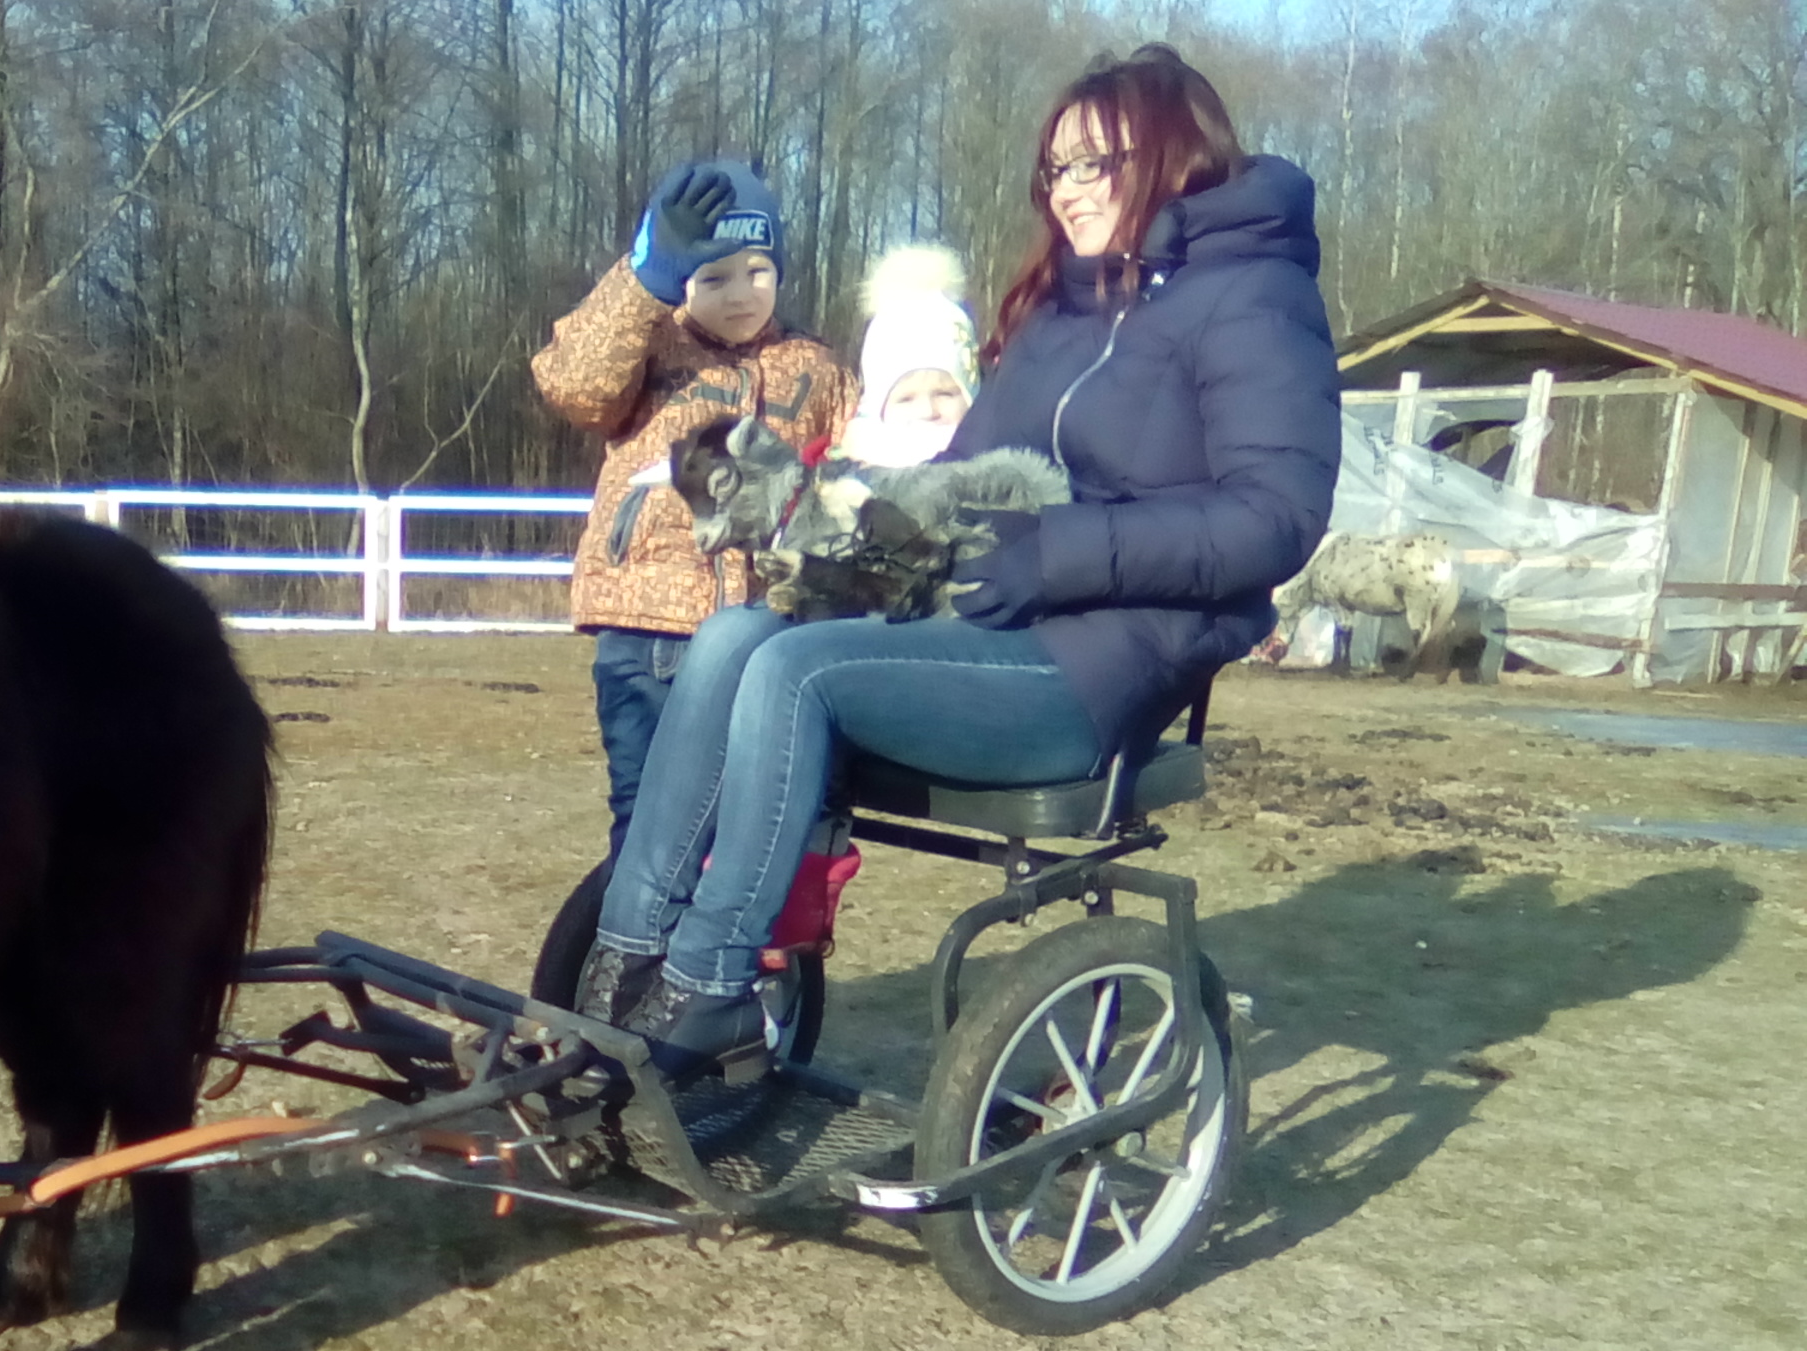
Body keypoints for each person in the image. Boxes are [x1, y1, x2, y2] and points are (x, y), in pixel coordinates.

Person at [582, 44, 1339, 1078]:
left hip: (1100, 669)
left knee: (795, 671)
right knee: (734, 637)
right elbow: (961, 483)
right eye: (1055, 169)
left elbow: (1276, 519)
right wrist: (818, 509)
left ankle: (707, 985)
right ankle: (620, 967)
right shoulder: (1064, 310)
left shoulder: (1256, 300)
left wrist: (1058, 550)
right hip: (982, 627)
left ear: (1171, 155)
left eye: (1092, 164)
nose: (1066, 192)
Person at [532, 158, 857, 859]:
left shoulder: (817, 367)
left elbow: (867, 462)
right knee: (651, 820)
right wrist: (641, 280)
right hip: (652, 631)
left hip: (767, 633)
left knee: (752, 822)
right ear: (681, 278)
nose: (741, 294)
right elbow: (573, 384)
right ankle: (630, 956)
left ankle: (745, 962)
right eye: (714, 276)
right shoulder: (648, 349)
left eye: (758, 272)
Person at [832, 242, 980, 469]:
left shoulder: (995, 470)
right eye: (905, 399)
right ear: (876, 407)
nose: (927, 411)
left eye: (945, 394)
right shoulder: (846, 484)